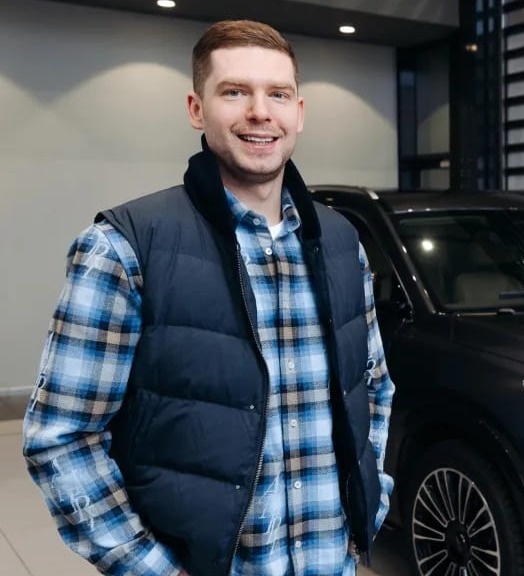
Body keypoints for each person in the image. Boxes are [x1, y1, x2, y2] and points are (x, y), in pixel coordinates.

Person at [22, 20, 395, 576]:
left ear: (299, 113)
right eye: (235, 91)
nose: (260, 112)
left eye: (278, 94)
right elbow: (62, 437)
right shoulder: (124, 247)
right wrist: (152, 569)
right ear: (197, 109)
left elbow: (374, 386)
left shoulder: (342, 242)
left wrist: (370, 498)